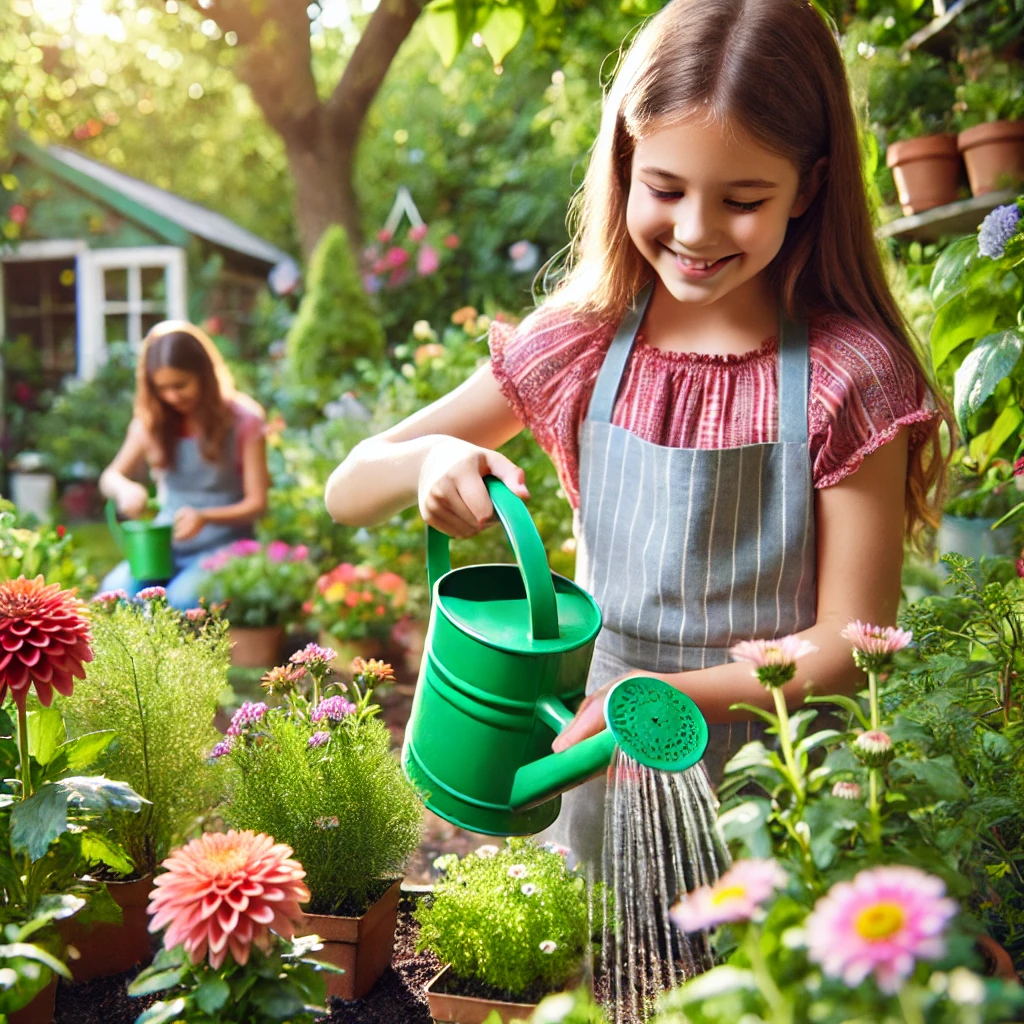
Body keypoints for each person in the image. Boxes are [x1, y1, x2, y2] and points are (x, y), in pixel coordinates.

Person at [324, 0, 949, 866]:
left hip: (781, 783)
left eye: (742, 199)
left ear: (808, 185)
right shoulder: (583, 343)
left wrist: (664, 697)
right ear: (625, 160)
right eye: (665, 189)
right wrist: (431, 458)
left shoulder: (850, 374)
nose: (694, 231)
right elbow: (348, 485)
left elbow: (847, 642)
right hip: (597, 770)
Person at [99, 321, 269, 610]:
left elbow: (258, 503)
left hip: (225, 546)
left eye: (180, 385)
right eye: (162, 388)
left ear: (204, 375)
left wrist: (205, 517)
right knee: (116, 596)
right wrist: (125, 489)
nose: (172, 396)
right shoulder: (151, 422)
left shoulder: (244, 419)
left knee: (181, 601)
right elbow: (110, 476)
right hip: (166, 546)